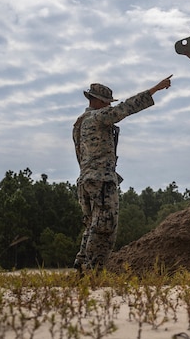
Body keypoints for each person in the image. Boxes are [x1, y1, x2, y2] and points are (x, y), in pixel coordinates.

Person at [72, 76, 172, 272]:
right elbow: (126, 108)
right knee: (105, 226)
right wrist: (154, 90)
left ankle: (81, 263)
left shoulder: (80, 122)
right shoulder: (98, 117)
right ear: (99, 101)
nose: (109, 106)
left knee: (93, 224)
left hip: (86, 179)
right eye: (107, 103)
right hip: (101, 180)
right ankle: (92, 270)